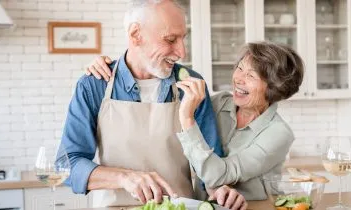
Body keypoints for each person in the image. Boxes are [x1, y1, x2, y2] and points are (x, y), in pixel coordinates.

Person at [61, 0, 247, 209]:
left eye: (183, 38)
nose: (182, 52)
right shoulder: (94, 85)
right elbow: (67, 165)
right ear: (135, 35)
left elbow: (209, 168)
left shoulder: (192, 85)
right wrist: (125, 178)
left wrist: (220, 191)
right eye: (170, 39)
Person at [86, 41, 304, 201]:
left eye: (252, 76)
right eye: (240, 68)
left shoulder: (278, 133)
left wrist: (187, 117)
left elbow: (218, 175)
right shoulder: (218, 104)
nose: (239, 79)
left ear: (274, 88)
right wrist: (113, 66)